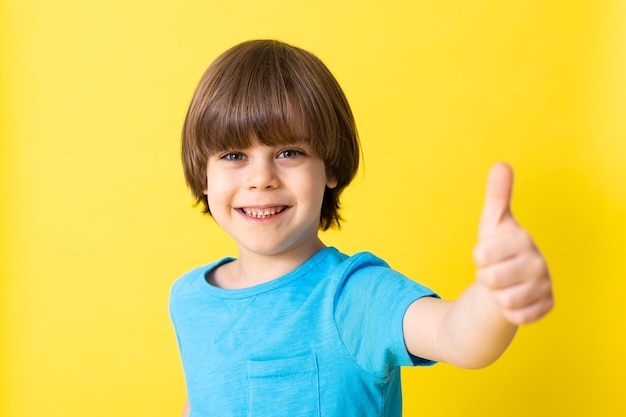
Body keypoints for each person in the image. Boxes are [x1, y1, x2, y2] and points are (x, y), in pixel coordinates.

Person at [169, 39, 553, 417]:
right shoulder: (189, 299)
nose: (261, 178)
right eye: (234, 155)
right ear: (204, 175)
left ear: (330, 167)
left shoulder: (355, 295)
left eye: (289, 153)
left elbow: (458, 336)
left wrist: (496, 294)